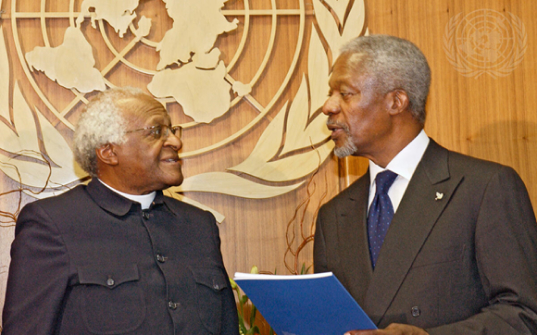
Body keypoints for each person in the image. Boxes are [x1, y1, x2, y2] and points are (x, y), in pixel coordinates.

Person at [314, 35, 537, 335]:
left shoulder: (484, 189)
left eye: (345, 93)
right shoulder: (333, 215)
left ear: (396, 101)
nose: (328, 107)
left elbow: (524, 315)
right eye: (331, 94)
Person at [1, 87, 239, 334]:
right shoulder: (52, 224)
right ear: (109, 152)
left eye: (172, 131)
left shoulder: (200, 225)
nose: (176, 142)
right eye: (156, 132)